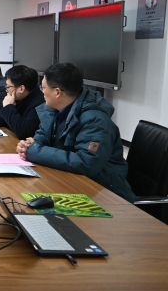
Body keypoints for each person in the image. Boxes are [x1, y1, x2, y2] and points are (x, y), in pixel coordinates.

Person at [16, 63, 135, 201]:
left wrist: (35, 151)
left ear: (57, 92)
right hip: (69, 181)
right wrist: (32, 145)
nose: (41, 92)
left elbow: (86, 162)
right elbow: (43, 133)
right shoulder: (55, 109)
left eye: (43, 87)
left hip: (104, 193)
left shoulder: (95, 121)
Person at [0, 65, 44, 139]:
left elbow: (23, 132)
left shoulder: (38, 103)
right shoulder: (24, 96)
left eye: (8, 87)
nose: (6, 90)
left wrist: (8, 107)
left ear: (21, 89)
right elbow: (10, 118)